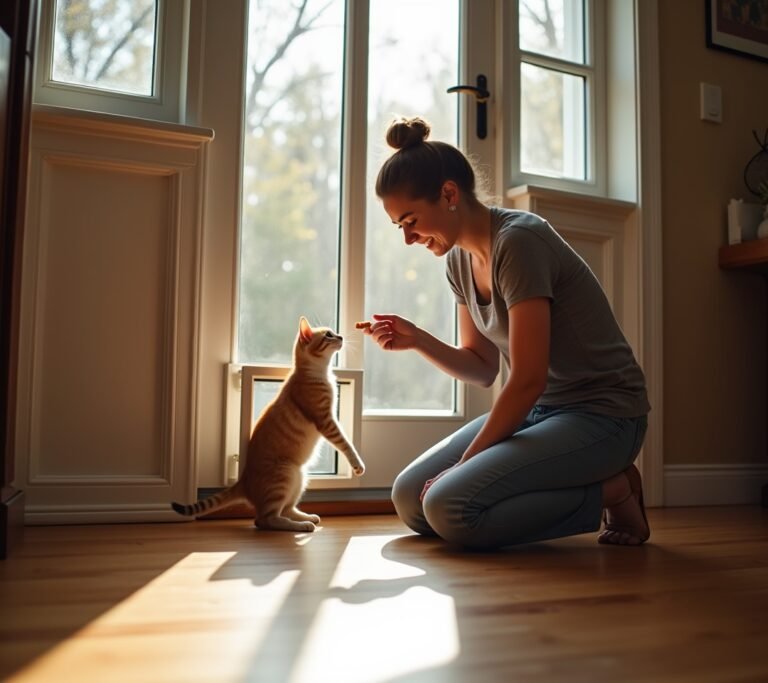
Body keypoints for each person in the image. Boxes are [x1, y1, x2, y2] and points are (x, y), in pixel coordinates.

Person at [361, 116, 651, 550]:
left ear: (449, 194)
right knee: (410, 499)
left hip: (605, 415)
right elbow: (482, 369)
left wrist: (466, 465)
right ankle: (577, 487)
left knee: (448, 508)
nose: (408, 238)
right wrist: (417, 338)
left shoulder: (520, 242)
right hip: (542, 411)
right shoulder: (457, 261)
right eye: (398, 226)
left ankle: (615, 488)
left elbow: (528, 378)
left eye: (411, 220)